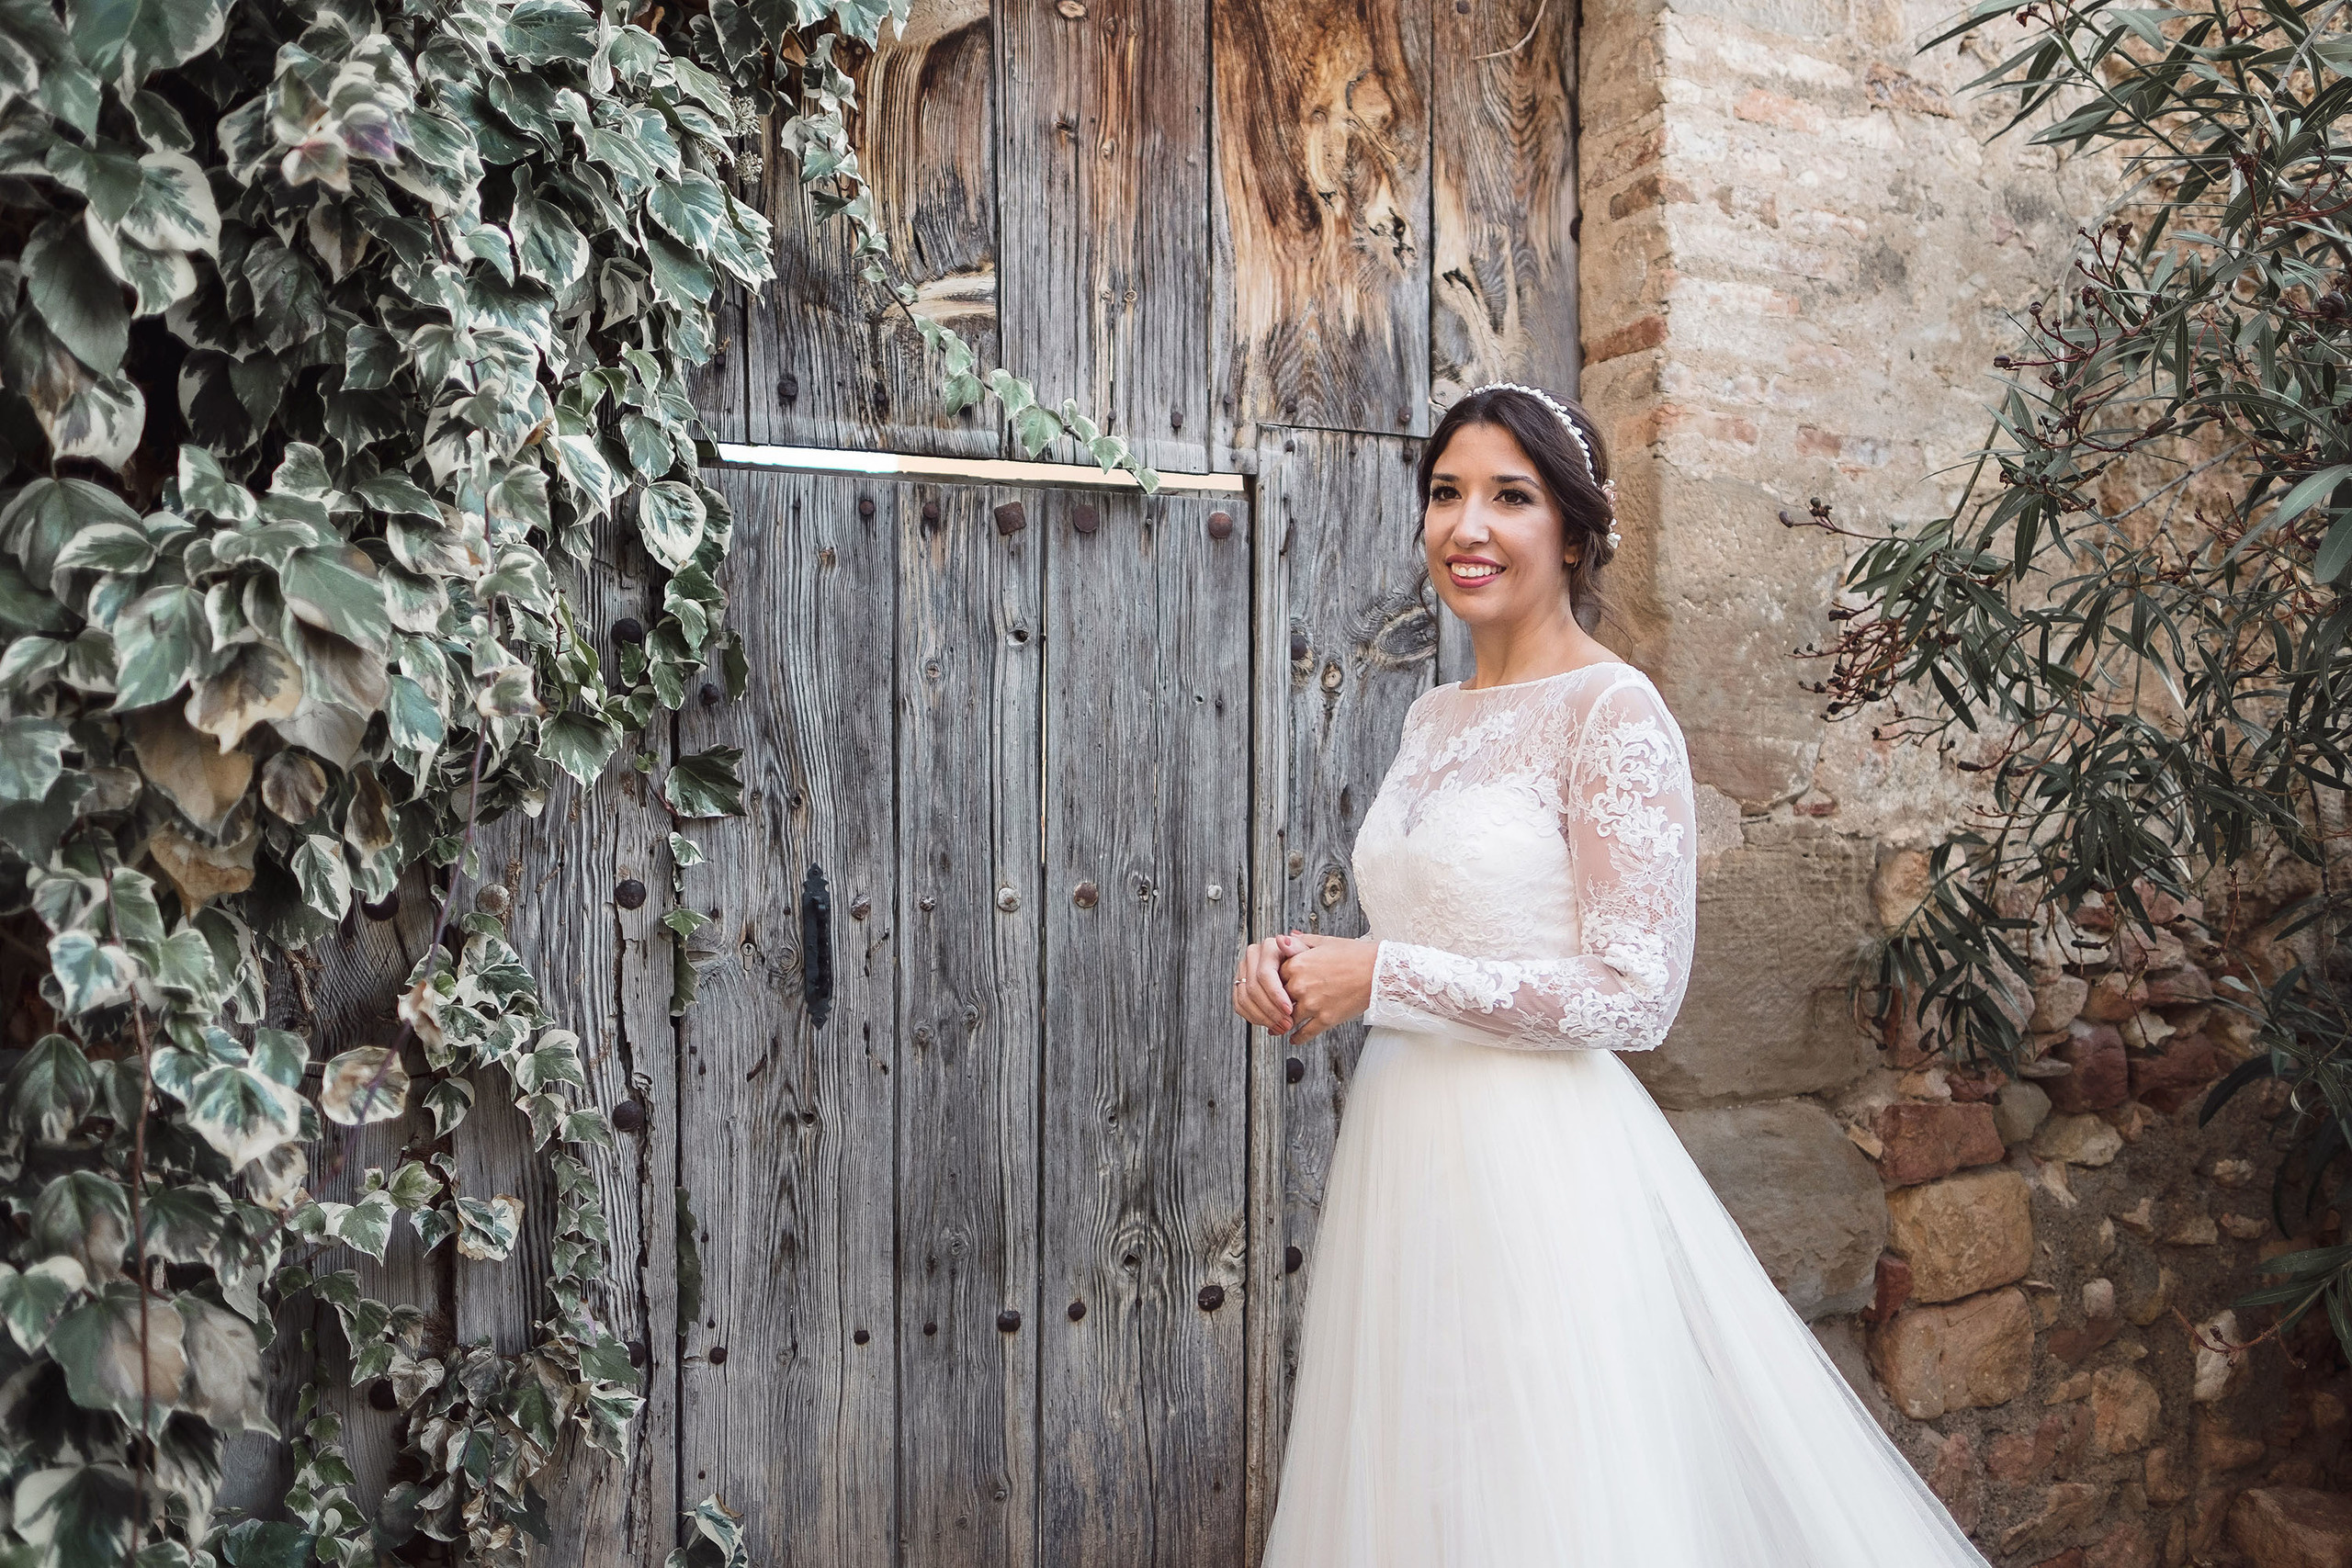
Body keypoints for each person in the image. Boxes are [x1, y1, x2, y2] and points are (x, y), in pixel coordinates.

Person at [1231, 384, 1995, 1566]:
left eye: (1509, 498)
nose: (1465, 527)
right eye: (1445, 494)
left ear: (1575, 534)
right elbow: (1439, 915)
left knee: (1540, 1485)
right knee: (1420, 1474)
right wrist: (1295, 965)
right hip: (1406, 1150)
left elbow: (1633, 994)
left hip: (1538, 1169)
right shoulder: (1432, 718)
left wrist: (1382, 975)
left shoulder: (1614, 713)